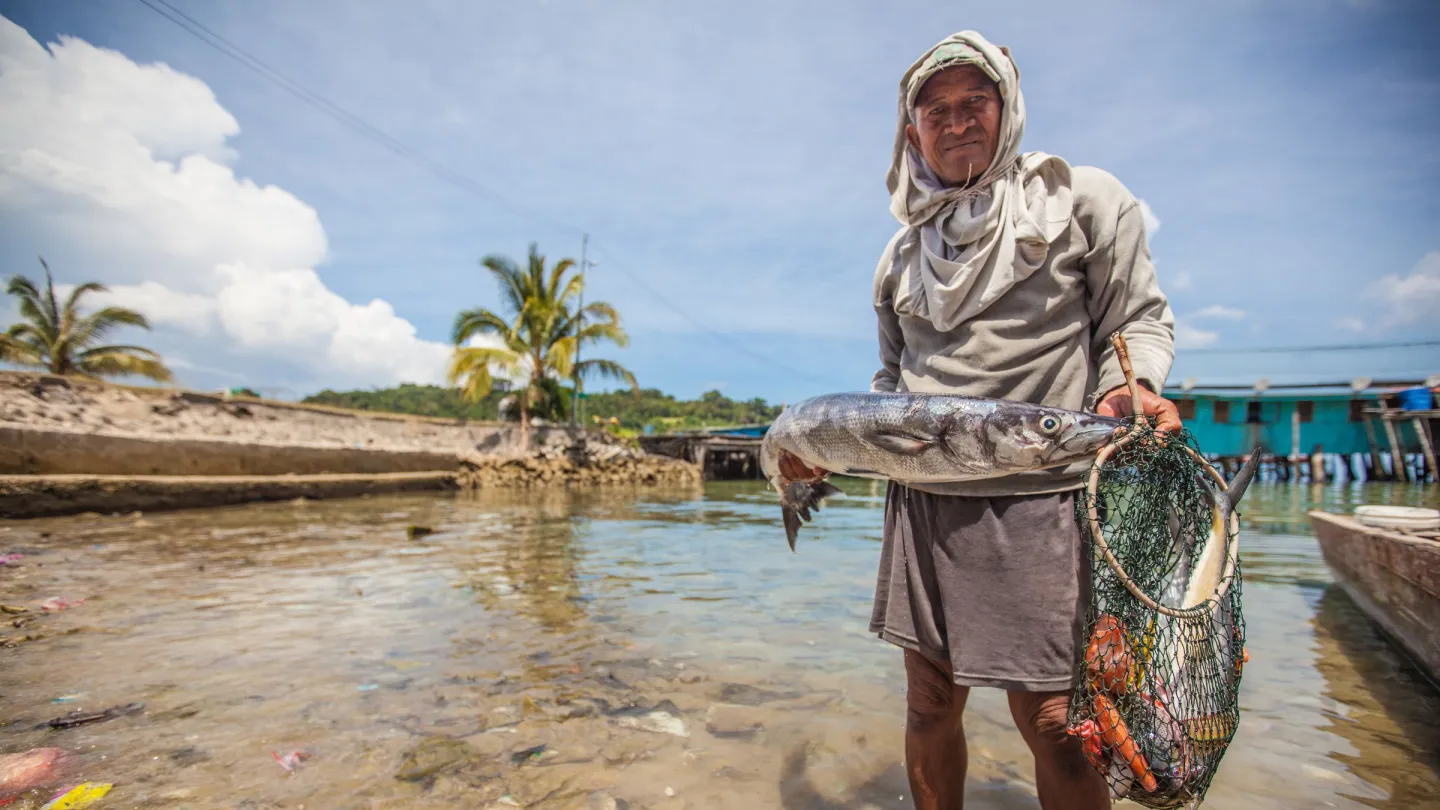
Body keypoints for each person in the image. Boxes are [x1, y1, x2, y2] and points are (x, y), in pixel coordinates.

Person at [780, 31, 1182, 810]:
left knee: (1059, 723)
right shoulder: (899, 256)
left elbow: (1138, 321)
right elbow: (891, 384)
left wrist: (1128, 392)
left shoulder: (1084, 199)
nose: (958, 122)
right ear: (911, 132)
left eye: (977, 102)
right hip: (926, 501)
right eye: (937, 111)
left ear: (1010, 107)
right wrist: (830, 450)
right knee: (929, 702)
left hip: (1050, 495)